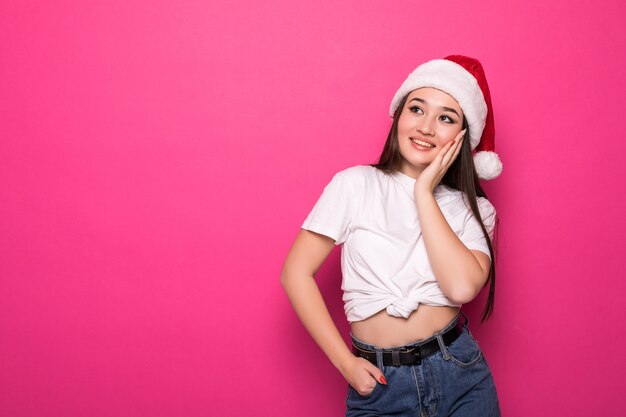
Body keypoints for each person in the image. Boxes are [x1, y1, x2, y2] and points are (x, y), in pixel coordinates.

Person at [281, 55, 503, 417]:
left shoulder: (474, 209)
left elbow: (462, 288)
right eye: (417, 109)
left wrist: (423, 193)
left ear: (462, 137)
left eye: (446, 117)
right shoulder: (354, 185)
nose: (427, 127)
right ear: (398, 115)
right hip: (380, 387)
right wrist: (345, 364)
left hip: (461, 376)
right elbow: (295, 273)